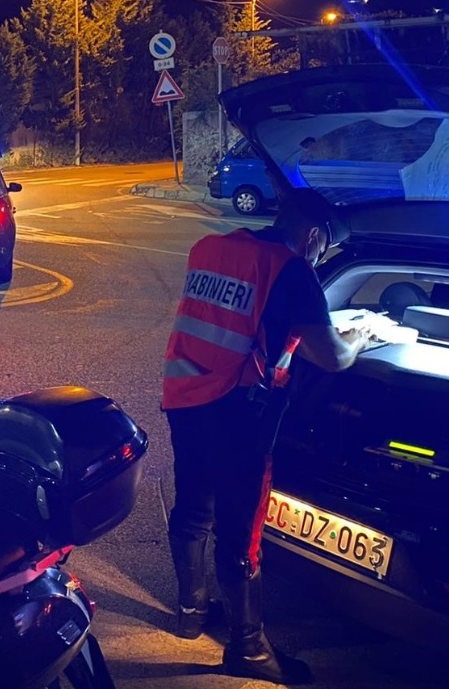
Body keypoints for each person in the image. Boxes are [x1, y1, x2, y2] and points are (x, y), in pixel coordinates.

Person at [161, 187, 373, 685]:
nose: (319, 257)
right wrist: (360, 337)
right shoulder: (292, 269)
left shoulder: (211, 248)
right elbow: (332, 358)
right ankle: (249, 651)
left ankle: (191, 613)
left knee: (193, 506)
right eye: (323, 249)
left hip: (185, 394)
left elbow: (241, 319)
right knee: (241, 531)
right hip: (238, 414)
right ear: (314, 237)